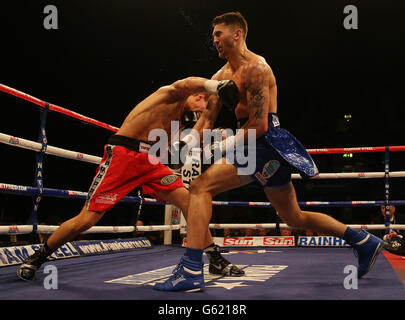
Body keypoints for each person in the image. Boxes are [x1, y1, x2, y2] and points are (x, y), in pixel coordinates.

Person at [154, 11, 383, 292]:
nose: (214, 40)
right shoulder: (219, 76)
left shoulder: (257, 69)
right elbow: (207, 120)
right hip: (249, 141)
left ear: (237, 34)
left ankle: (190, 268)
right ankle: (363, 240)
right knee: (293, 217)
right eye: (213, 35)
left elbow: (260, 124)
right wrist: (186, 145)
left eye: (218, 34)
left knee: (201, 187)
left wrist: (220, 147)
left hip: (265, 141)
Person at [17, 76, 243, 281]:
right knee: (87, 220)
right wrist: (215, 86)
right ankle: (37, 257)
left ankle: (214, 259)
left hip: (152, 163)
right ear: (199, 95)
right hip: (124, 157)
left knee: (190, 203)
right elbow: (185, 83)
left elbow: (200, 130)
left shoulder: (182, 119)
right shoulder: (170, 94)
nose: (200, 113)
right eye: (202, 105)